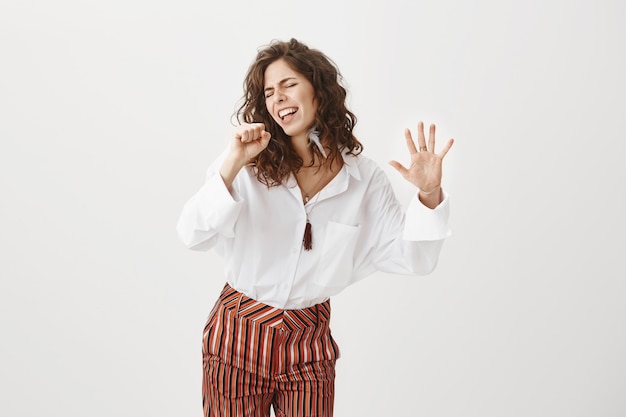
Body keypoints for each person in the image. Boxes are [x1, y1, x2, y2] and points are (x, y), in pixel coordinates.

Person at [177, 38, 454, 417]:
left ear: (318, 90)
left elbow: (416, 260)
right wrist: (231, 164)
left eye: (288, 84)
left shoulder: (365, 180)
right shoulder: (247, 164)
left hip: (310, 343)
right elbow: (192, 235)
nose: (277, 99)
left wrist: (429, 193)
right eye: (269, 92)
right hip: (236, 337)